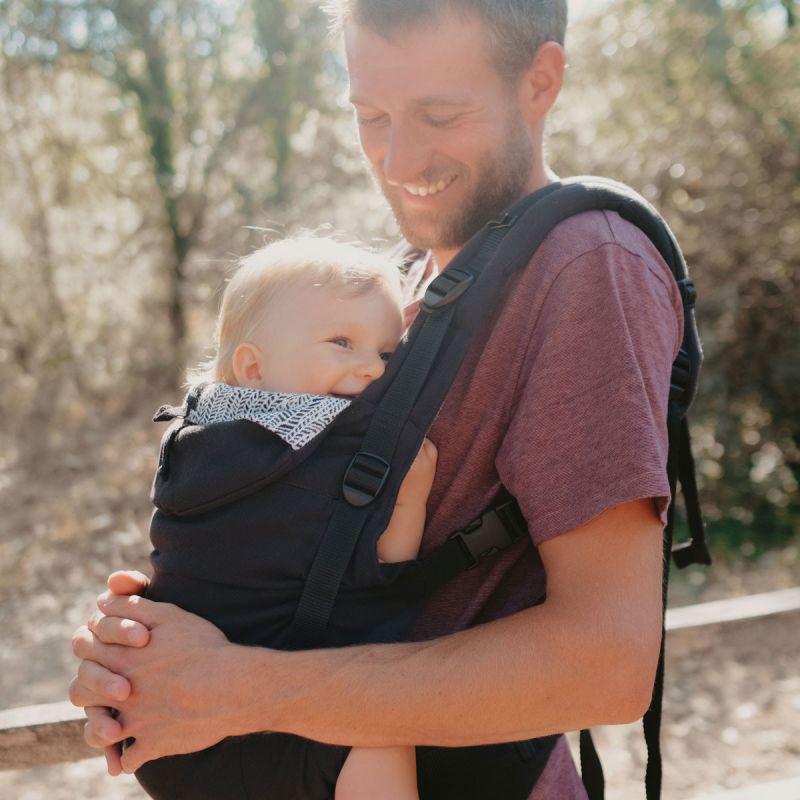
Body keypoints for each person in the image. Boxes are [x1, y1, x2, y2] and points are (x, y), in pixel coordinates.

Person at [71, 2, 679, 797]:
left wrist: (229, 689)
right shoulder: (399, 292)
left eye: (439, 114)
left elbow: (606, 664)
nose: (398, 159)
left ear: (541, 81)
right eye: (371, 116)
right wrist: (145, 657)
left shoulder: (583, 267)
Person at [138, 235, 437, 800]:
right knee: (384, 726)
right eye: (342, 342)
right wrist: (411, 495)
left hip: (168, 724)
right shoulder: (329, 444)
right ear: (252, 366)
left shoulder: (192, 441)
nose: (373, 368)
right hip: (298, 716)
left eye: (387, 353)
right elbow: (387, 576)